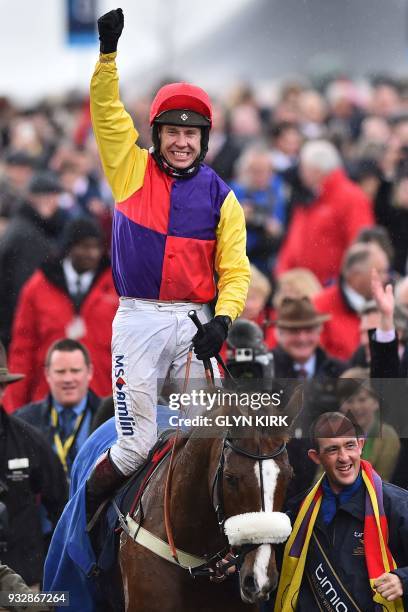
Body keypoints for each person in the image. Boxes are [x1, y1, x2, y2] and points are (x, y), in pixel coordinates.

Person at [87, 8, 249, 511]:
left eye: (192, 134)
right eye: (172, 133)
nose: (182, 143)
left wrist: (223, 320)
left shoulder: (223, 197)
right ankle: (83, 529)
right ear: (157, 135)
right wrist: (108, 57)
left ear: (204, 140)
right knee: (135, 446)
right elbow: (106, 110)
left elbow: (236, 272)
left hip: (197, 322)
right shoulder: (130, 169)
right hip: (138, 321)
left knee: (217, 438)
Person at [273, 412, 408, 611]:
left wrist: (402, 579)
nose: (344, 458)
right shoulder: (298, 511)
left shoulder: (397, 505)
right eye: (333, 450)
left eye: (350, 446)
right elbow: (266, 563)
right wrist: (234, 563)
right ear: (315, 457)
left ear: (361, 445)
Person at [7, 217, 117, 408]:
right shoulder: (38, 287)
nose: (92, 254)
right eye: (84, 247)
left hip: (102, 400)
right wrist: (13, 407)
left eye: (96, 247)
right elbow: (22, 351)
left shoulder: (116, 286)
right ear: (69, 248)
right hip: (47, 401)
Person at [0, 342, 67, 588]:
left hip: (25, 581)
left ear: (4, 388)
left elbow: (62, 508)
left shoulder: (30, 440)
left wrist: (47, 561)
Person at [276, 139, 374, 285]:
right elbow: (294, 240)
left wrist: (342, 284)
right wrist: (283, 272)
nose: (300, 174)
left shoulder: (351, 198)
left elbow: (360, 246)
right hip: (302, 286)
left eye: (304, 168)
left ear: (316, 170)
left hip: (331, 287)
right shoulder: (308, 196)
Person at [0, 170, 68, 348]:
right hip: (17, 332)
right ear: (38, 199)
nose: (56, 205)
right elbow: (23, 290)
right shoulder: (27, 236)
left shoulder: (25, 228)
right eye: (52, 197)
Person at [15, 339, 100, 478]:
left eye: (75, 371)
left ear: (89, 372)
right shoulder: (24, 422)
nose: (68, 379)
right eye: (60, 372)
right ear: (47, 374)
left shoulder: (111, 419)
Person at [314, 241, 390, 359]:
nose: (386, 278)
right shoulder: (320, 306)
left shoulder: (388, 303)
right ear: (355, 275)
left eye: (386, 271)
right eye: (379, 272)